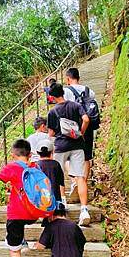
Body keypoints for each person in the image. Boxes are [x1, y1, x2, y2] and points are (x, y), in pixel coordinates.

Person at [46, 82, 91, 226]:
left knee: (59, 177)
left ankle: (63, 202)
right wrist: (81, 133)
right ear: (63, 92)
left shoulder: (52, 112)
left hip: (60, 146)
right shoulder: (75, 105)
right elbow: (86, 119)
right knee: (81, 177)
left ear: (52, 97)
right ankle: (84, 210)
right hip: (77, 145)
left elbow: (51, 133)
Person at [64, 67, 97, 180]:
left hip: (73, 127)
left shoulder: (66, 91)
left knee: (69, 156)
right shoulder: (89, 91)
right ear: (79, 78)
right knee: (86, 157)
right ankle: (84, 181)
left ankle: (76, 182)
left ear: (68, 79)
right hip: (87, 126)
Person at [35, 138, 65, 204]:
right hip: (55, 197)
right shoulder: (56, 164)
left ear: (37, 152)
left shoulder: (36, 165)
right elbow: (61, 182)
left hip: (41, 198)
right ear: (52, 152)